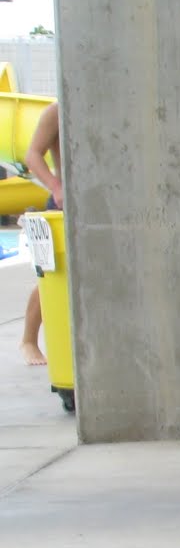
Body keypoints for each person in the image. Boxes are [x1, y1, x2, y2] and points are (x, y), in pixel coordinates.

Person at [18, 100, 61, 366]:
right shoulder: (56, 111)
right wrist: (56, 187)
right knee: (50, 275)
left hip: (95, 205)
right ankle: (29, 340)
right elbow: (32, 155)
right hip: (61, 203)